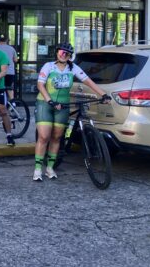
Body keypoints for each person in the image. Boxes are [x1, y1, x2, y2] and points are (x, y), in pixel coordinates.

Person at [34, 42, 110, 182]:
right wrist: (50, 101)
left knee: (57, 137)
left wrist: (103, 94)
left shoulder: (73, 68)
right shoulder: (48, 66)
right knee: (44, 136)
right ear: (57, 52)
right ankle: (38, 169)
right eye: (61, 52)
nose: (64, 55)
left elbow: (88, 81)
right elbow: (40, 85)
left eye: (67, 54)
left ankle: (50, 168)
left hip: (63, 105)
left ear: (70, 56)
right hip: (45, 103)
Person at [0, 34, 18, 102]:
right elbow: (15, 60)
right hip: (10, 72)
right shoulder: (12, 49)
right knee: (9, 88)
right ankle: (12, 103)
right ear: (7, 40)